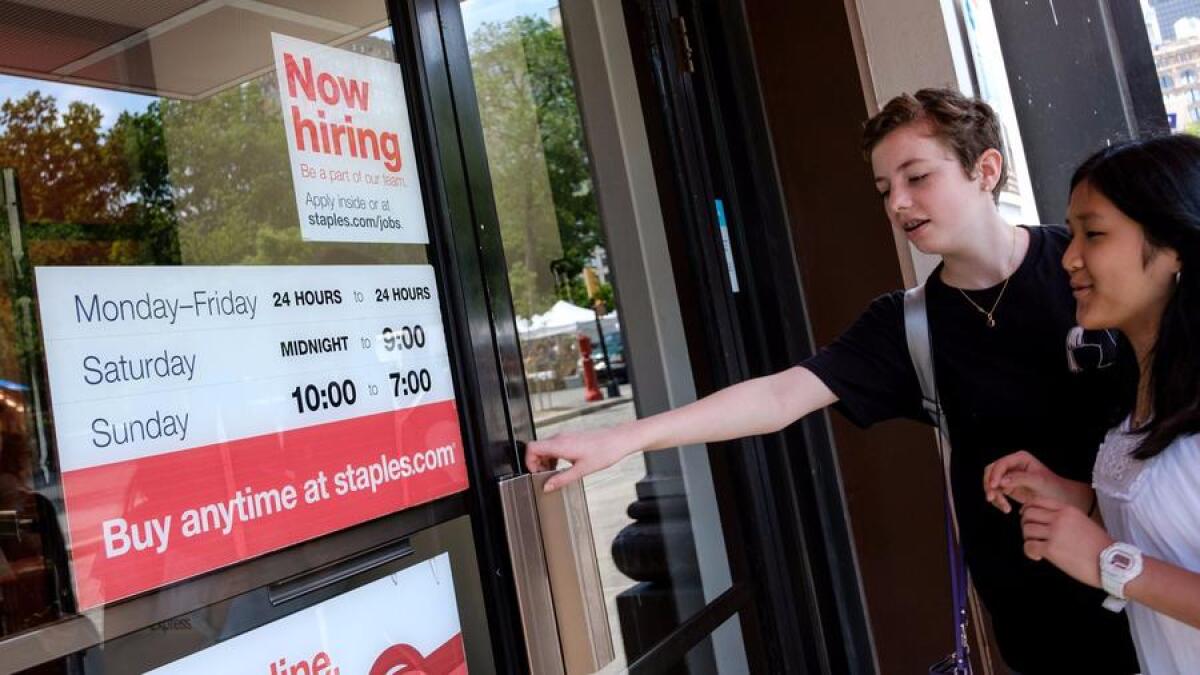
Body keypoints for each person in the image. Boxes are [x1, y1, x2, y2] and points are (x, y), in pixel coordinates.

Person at [526, 88, 1140, 674]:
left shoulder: (1086, 267)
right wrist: (626, 438)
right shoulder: (906, 324)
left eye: (917, 177)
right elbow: (780, 395)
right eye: (884, 188)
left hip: (1157, 570)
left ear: (985, 169)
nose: (897, 202)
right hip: (1040, 613)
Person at [984, 135, 1200, 673]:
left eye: (1094, 234)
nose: (1069, 258)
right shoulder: (1144, 396)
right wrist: (1078, 500)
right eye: (1073, 233)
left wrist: (1111, 565)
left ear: (1174, 245)